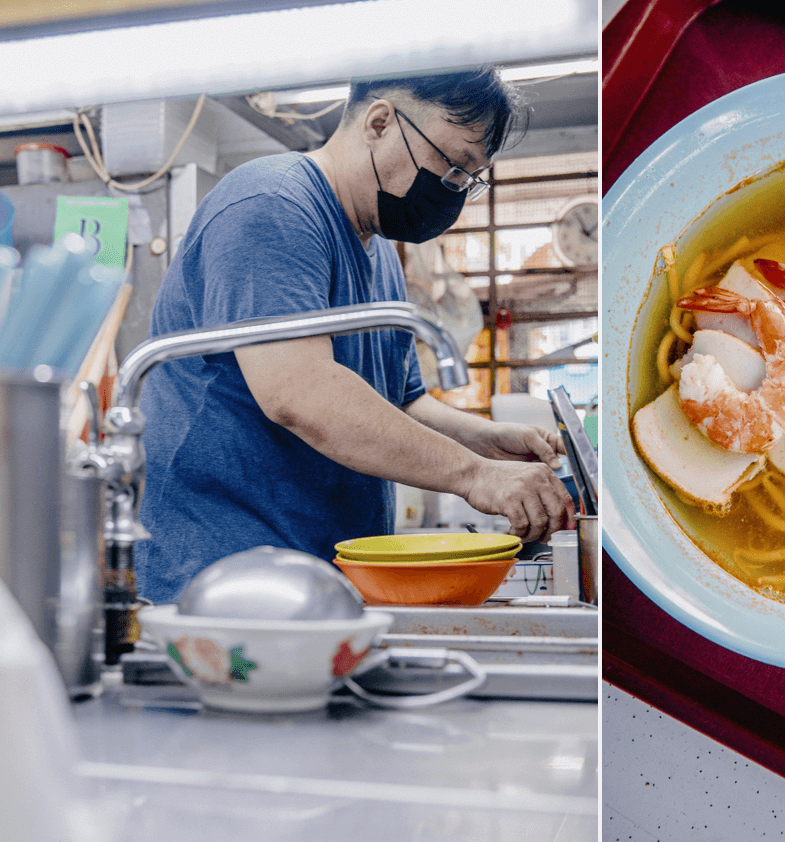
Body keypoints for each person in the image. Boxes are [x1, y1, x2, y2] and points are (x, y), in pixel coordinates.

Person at [135, 67, 575, 603]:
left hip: (319, 580)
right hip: (226, 577)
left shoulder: (380, 254)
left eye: (468, 178)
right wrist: (473, 476)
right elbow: (299, 394)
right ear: (380, 122)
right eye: (450, 166)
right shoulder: (271, 205)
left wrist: (483, 440)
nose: (453, 191)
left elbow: (403, 402)